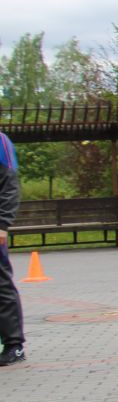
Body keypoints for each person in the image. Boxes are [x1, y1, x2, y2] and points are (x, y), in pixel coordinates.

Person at [0, 128, 24, 366]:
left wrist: (2, 224)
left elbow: (10, 184)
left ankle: (14, 345)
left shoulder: (0, 141)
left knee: (1, 285)